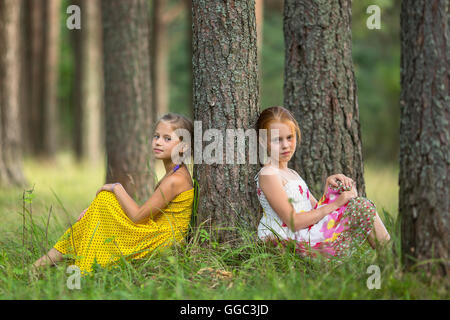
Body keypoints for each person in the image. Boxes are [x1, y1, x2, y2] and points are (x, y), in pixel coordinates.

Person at [32, 113, 195, 274]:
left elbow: (138, 216)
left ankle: (53, 266)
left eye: (167, 138)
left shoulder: (176, 180)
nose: (158, 142)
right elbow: (145, 214)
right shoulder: (174, 172)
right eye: (156, 136)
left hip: (160, 242)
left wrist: (116, 187)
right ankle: (42, 265)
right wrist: (94, 212)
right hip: (155, 234)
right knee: (102, 204)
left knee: (106, 198)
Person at [254, 106, 390, 259]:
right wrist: (336, 203)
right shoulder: (269, 174)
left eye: (289, 137)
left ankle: (389, 261)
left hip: (306, 234)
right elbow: (293, 222)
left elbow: (315, 211)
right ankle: (390, 262)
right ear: (263, 141)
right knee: (362, 207)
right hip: (288, 242)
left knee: (362, 206)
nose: (285, 145)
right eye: (277, 140)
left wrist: (329, 191)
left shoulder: (292, 174)